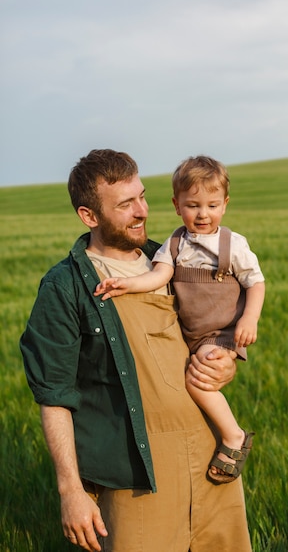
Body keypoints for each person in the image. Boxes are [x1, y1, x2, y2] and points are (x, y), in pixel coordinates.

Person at [20, 149, 253, 552]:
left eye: (142, 196)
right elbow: (54, 394)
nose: (142, 211)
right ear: (89, 216)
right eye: (126, 204)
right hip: (136, 472)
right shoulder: (65, 286)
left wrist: (226, 362)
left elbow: (215, 326)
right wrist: (70, 490)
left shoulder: (174, 260)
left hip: (209, 456)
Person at [95, 155, 265, 484]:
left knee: (197, 379)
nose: (203, 214)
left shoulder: (233, 244)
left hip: (222, 331)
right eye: (193, 205)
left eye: (212, 205)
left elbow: (255, 283)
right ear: (176, 205)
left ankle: (233, 436)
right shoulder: (174, 244)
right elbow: (158, 276)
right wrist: (127, 284)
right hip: (191, 333)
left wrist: (250, 320)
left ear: (225, 205)